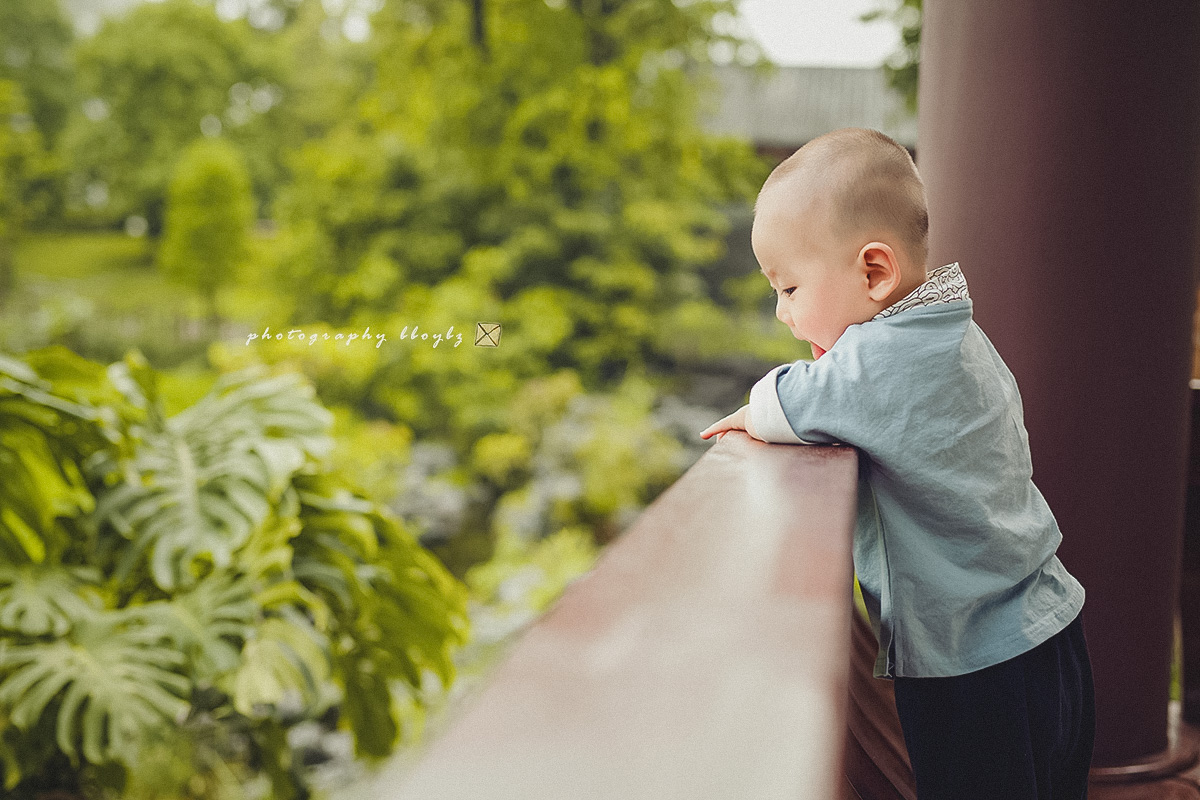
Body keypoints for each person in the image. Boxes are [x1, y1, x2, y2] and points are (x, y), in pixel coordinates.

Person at [699, 127, 1096, 799]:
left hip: (977, 667)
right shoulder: (951, 331)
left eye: (790, 288)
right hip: (1047, 633)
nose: (782, 314)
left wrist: (753, 411)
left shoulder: (888, 357)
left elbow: (792, 398)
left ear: (874, 272)